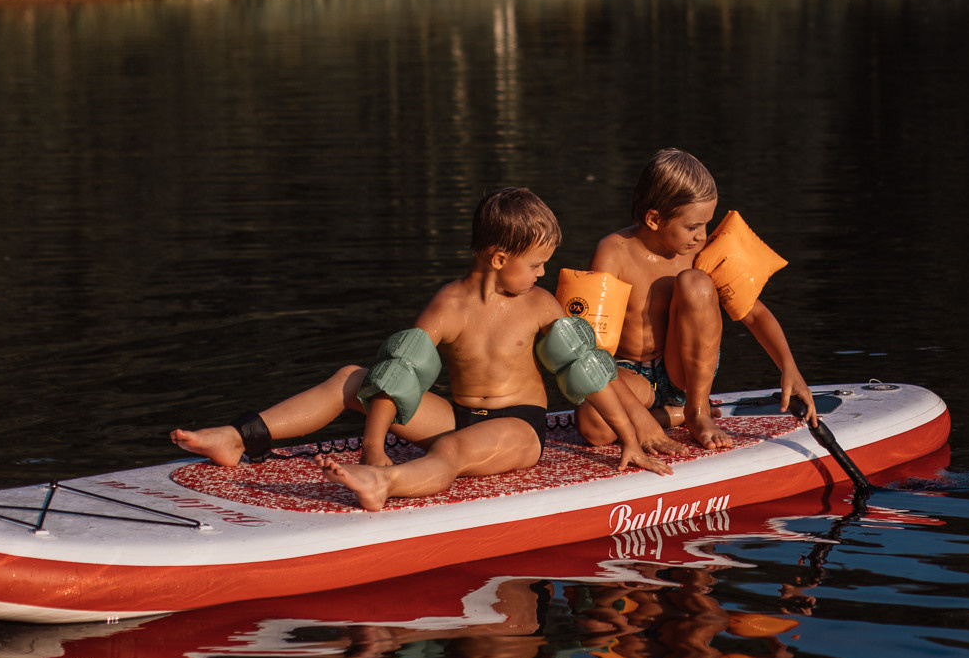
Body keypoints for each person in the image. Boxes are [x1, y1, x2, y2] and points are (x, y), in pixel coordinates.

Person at [172, 187, 673, 510]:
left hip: (520, 427)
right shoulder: (448, 306)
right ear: (499, 257)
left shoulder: (540, 305)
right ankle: (239, 436)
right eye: (537, 262)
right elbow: (398, 375)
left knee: (453, 449)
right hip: (456, 414)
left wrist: (628, 435)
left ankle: (383, 487)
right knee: (353, 377)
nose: (545, 273)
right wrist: (373, 446)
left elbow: (586, 372)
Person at [576, 149, 814, 452]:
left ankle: (698, 412)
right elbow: (589, 347)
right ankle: (673, 415)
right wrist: (642, 419)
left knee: (696, 283)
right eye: (692, 227)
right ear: (654, 219)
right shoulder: (613, 252)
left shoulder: (700, 253)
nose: (702, 236)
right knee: (592, 425)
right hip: (629, 372)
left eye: (706, 224)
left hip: (683, 374)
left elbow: (753, 313)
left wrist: (788, 367)